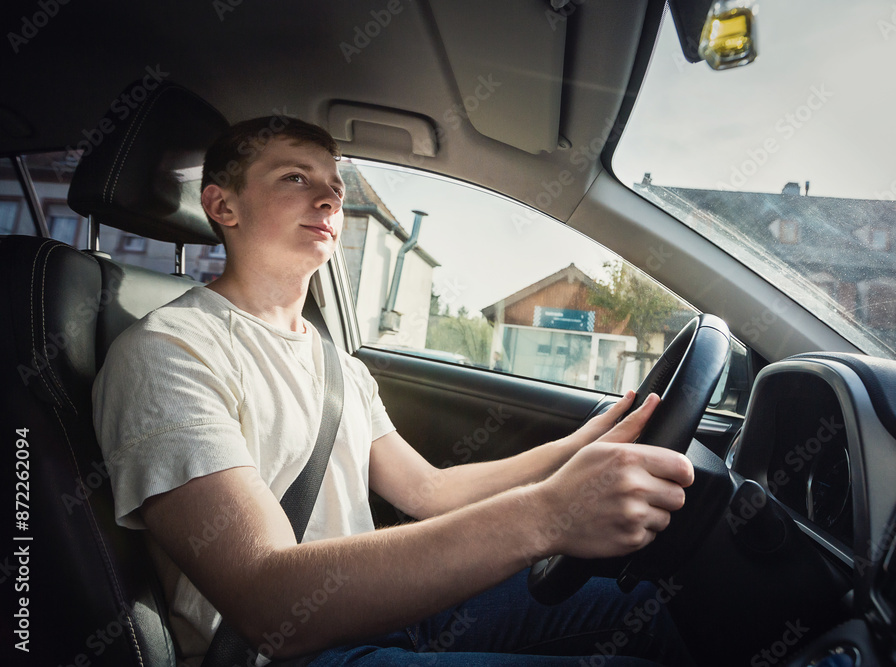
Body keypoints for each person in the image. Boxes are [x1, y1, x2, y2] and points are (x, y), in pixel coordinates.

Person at [92, 117, 696, 666]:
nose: (330, 197)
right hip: (285, 653)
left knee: (642, 605)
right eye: (295, 178)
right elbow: (268, 599)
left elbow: (428, 490)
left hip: (380, 612)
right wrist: (548, 515)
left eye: (334, 184)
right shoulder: (168, 351)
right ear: (222, 205)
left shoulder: (338, 365)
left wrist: (582, 443)